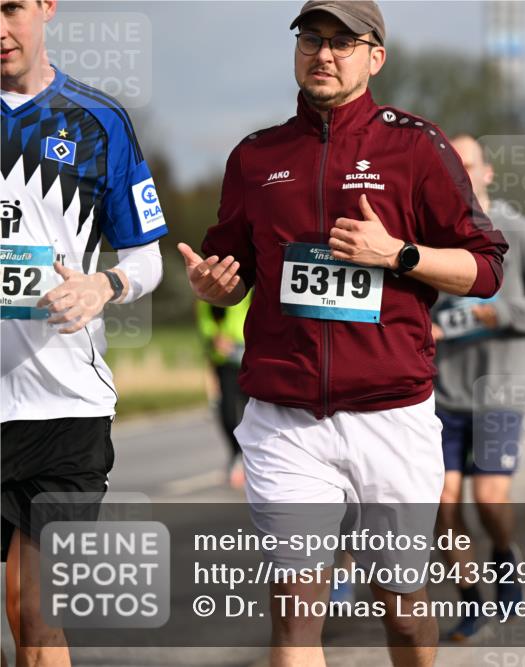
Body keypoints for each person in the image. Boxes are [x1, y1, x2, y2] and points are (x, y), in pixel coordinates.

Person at [178, 2, 507, 665]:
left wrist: (398, 254)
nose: (323, 54)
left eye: (342, 42)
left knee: (406, 613)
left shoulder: (416, 147)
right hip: (285, 416)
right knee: (297, 615)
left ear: (374, 57)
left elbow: (487, 269)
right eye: (310, 40)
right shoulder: (255, 156)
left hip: (391, 413)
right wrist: (218, 285)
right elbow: (234, 267)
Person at [1, 1, 168, 664]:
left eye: (11, 7)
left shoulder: (99, 120)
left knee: (35, 613)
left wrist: (104, 285)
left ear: (46, 7)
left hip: (65, 409)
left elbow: (146, 257)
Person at [431, 135, 525, 642]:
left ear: (487, 173)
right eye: (449, 167)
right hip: (439, 396)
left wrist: (499, 313)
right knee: (443, 503)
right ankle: (471, 602)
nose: (459, 176)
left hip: (498, 393)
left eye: (467, 166)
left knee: (489, 499)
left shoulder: (519, 233)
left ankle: (505, 559)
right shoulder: (425, 235)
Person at [195, 295, 251, 489]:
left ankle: (250, 459)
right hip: (224, 361)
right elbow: (204, 321)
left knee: (252, 414)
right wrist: (214, 337)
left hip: (250, 359)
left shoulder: (251, 287)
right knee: (226, 413)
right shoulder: (207, 294)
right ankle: (237, 453)